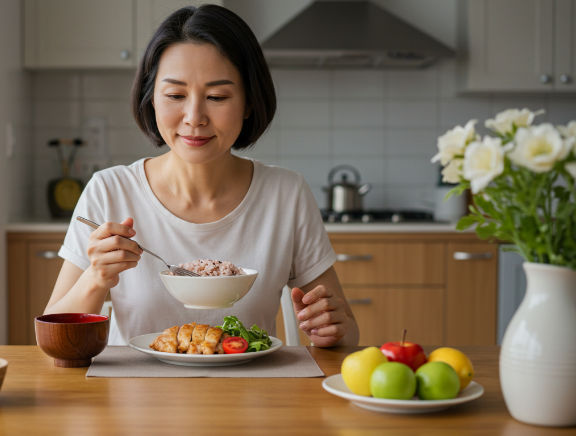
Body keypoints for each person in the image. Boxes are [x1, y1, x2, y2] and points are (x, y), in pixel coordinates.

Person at [45, 4, 359, 348]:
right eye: (175, 95)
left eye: (217, 97)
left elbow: (346, 332)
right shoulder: (110, 191)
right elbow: (53, 341)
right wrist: (95, 278)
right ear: (151, 99)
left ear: (249, 103)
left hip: (251, 396)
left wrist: (332, 328)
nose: (194, 117)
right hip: (135, 396)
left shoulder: (286, 194)